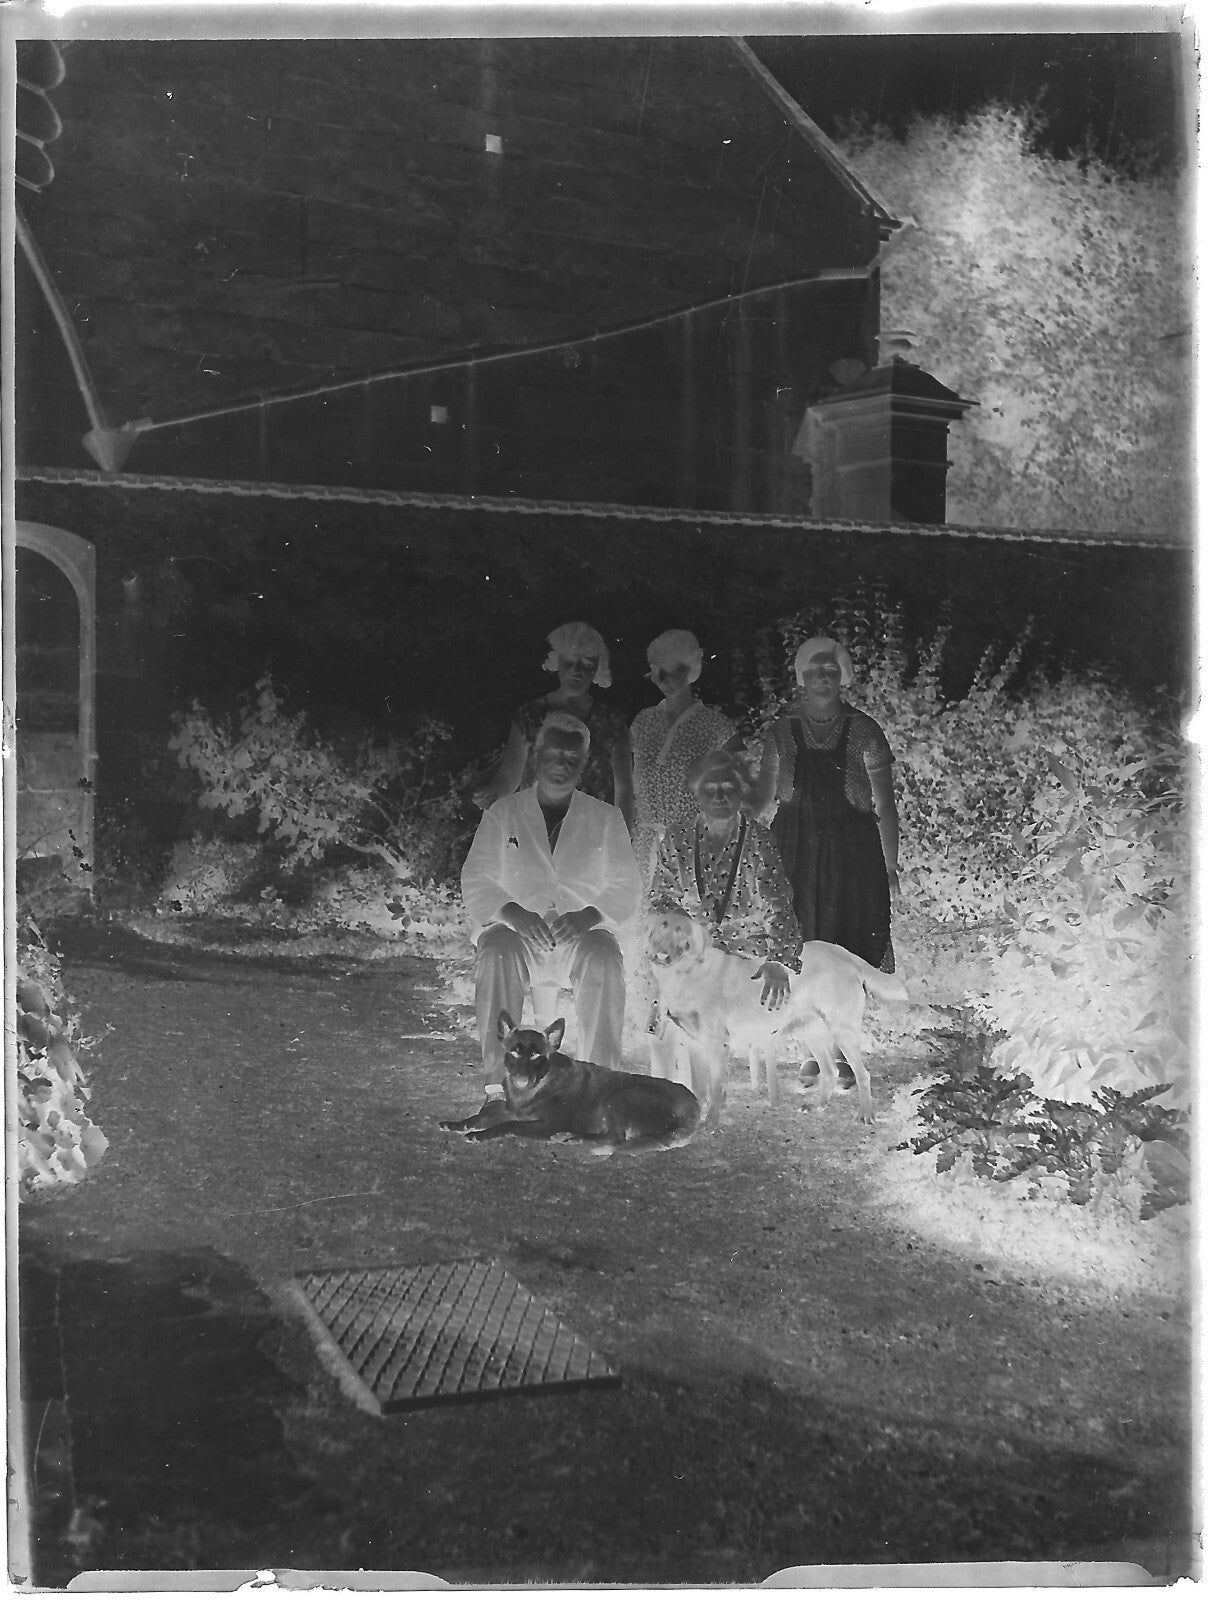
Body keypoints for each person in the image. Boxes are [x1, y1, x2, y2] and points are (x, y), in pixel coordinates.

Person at [461, 711, 643, 1076]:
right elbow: (477, 875)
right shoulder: (503, 812)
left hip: (578, 937)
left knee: (605, 954)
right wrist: (513, 914)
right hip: (519, 935)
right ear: (536, 754)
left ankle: (598, 1081)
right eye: (554, 754)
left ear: (584, 764)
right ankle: (499, 1083)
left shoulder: (605, 817)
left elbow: (627, 884)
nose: (561, 764)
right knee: (495, 948)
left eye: (572, 758)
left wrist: (588, 916)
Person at [751, 635, 900, 972]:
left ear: (843, 675)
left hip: (852, 851)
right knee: (792, 933)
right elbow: (760, 798)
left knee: (852, 939)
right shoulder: (781, 730)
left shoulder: (865, 729)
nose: (821, 676)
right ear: (801, 675)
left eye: (830, 668)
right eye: (813, 668)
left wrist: (890, 867)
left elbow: (886, 805)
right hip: (793, 848)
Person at [650, 749, 802, 1008]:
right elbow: (662, 898)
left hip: (747, 954)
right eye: (710, 788)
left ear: (742, 791)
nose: (719, 795)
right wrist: (685, 934)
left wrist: (778, 960)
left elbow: (778, 905)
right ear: (696, 793)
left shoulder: (760, 841)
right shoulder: (677, 838)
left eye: (728, 786)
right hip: (691, 951)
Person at [473, 621, 633, 827]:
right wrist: (491, 794)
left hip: (592, 833)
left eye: (587, 663)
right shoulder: (529, 716)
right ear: (558, 660)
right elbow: (508, 778)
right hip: (535, 828)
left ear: (597, 669)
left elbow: (624, 789)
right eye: (571, 661)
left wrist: (623, 840)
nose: (577, 670)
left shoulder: (613, 723)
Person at [629, 629, 742, 890]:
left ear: (691, 668)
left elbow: (742, 782)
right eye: (656, 669)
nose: (663, 677)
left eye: (672, 668)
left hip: (694, 842)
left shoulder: (716, 725)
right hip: (645, 844)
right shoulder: (642, 721)